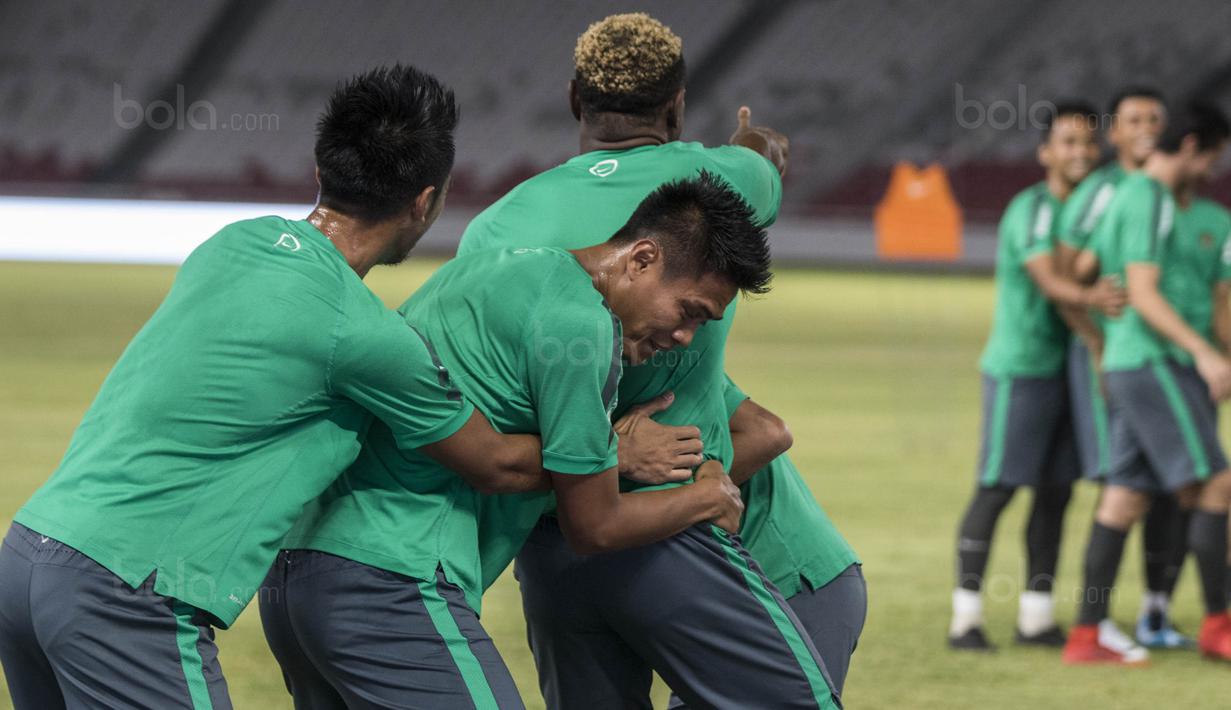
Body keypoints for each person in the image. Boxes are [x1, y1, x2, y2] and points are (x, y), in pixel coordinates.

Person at [0, 65, 549, 710]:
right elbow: (497, 464)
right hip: (127, 591)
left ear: (320, 174)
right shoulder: (367, 336)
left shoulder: (234, 241)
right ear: (423, 202)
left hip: (30, 555)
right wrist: (617, 452)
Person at [261, 172, 836, 709]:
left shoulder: (489, 269)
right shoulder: (582, 325)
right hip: (390, 581)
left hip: (296, 579)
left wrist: (603, 450)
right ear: (642, 257)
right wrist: (708, 497)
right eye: (689, 311)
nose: (685, 337)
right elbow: (595, 526)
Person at [461, 13, 859, 705]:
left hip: (555, 532)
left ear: (574, 101)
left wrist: (597, 454)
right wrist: (754, 141)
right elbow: (765, 162)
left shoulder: (494, 230)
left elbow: (484, 404)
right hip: (677, 524)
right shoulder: (718, 184)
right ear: (675, 107)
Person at [949, 101, 1126, 651]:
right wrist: (1094, 299)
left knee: (1056, 493)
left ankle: (1035, 617)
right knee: (998, 487)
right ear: (1045, 152)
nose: (1080, 153)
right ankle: (965, 619)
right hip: (1021, 367)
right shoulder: (1035, 210)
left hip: (1065, 369)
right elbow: (1051, 283)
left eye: (1088, 143)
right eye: (1068, 142)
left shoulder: (1093, 211)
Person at [1062, 101, 1231, 666]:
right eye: (1213, 157)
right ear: (1190, 147)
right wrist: (1206, 353)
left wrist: (1098, 314)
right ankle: (1218, 628)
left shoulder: (1124, 193)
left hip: (1126, 361)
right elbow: (1146, 292)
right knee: (1216, 485)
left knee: (1125, 495)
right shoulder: (1152, 197)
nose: (1213, 170)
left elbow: (1084, 267)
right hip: (1153, 359)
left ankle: (1086, 636)